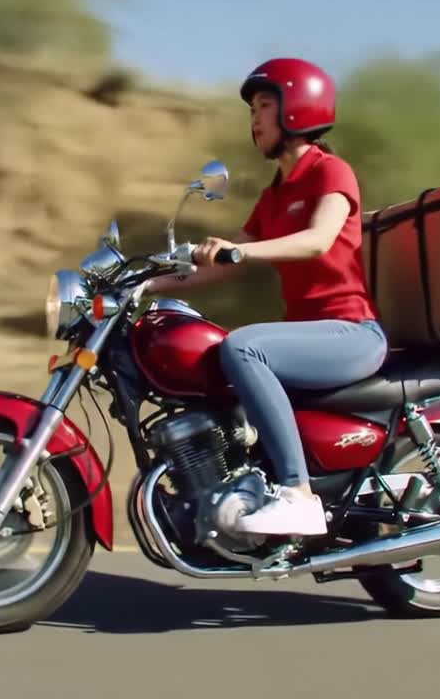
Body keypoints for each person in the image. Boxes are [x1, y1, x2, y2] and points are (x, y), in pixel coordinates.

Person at [146, 57, 388, 536]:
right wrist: (146, 285)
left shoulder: (330, 172)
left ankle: (298, 495)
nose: (253, 119)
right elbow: (220, 271)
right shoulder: (274, 197)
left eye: (263, 105)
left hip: (351, 332)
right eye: (252, 109)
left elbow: (319, 239)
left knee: (244, 346)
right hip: (311, 333)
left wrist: (239, 250)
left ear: (297, 109)